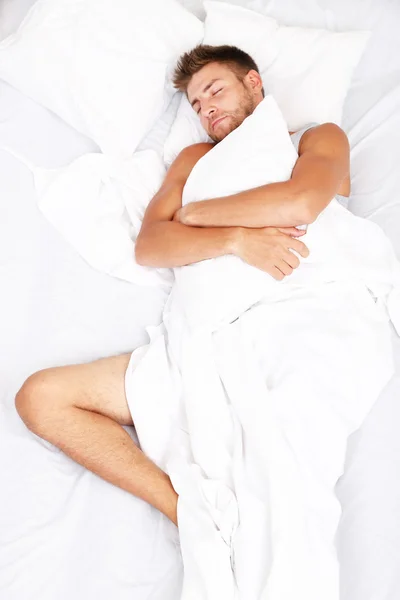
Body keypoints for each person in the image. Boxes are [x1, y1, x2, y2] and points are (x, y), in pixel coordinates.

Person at [15, 45, 350, 528]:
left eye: (215, 91)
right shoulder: (195, 159)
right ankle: (187, 513)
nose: (207, 108)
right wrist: (236, 239)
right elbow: (150, 245)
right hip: (196, 338)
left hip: (290, 319)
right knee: (39, 397)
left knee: (276, 468)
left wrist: (195, 216)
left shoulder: (315, 139)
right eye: (196, 105)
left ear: (253, 83)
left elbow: (301, 203)